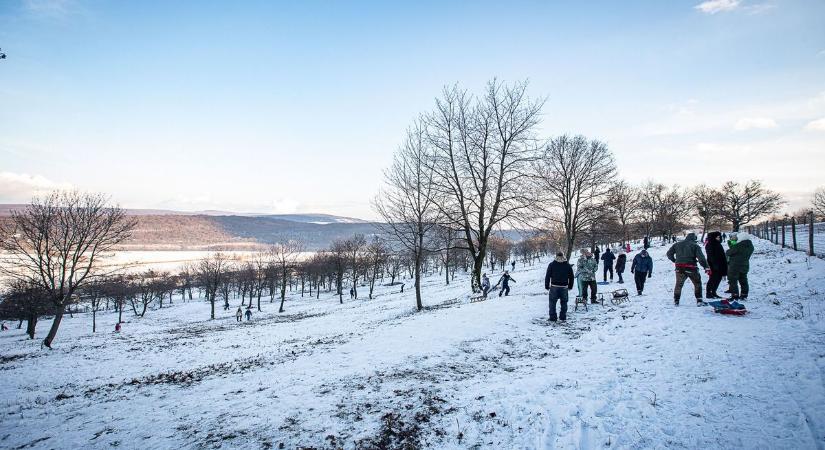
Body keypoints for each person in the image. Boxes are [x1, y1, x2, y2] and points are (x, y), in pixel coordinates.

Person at [666, 232, 709, 306]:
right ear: (694, 238)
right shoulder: (695, 246)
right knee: (697, 283)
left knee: (679, 284)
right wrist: (706, 266)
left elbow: (669, 254)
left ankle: (676, 300)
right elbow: (701, 258)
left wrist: (675, 260)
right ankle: (699, 300)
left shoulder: (677, 244)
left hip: (679, 267)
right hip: (691, 267)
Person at [545, 252, 575, 322]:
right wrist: (570, 286)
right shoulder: (567, 265)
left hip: (554, 287)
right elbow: (571, 277)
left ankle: (553, 317)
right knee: (564, 302)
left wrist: (547, 286)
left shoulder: (552, 265)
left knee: (552, 303)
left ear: (556, 256)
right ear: (563, 256)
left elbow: (548, 276)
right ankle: (563, 316)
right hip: (564, 287)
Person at [726, 232, 754, 300]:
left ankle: (735, 295)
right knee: (743, 280)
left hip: (735, 266)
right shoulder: (750, 246)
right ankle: (744, 295)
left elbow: (729, 252)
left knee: (732, 280)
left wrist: (731, 243)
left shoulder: (739, 245)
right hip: (745, 265)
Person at [704, 231, 728, 299]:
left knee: (718, 279)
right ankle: (709, 293)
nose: (719, 238)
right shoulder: (710, 244)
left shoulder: (718, 244)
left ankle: (714, 292)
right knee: (712, 279)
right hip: (714, 265)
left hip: (720, 264)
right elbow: (711, 256)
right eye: (717, 237)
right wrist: (715, 264)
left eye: (719, 237)